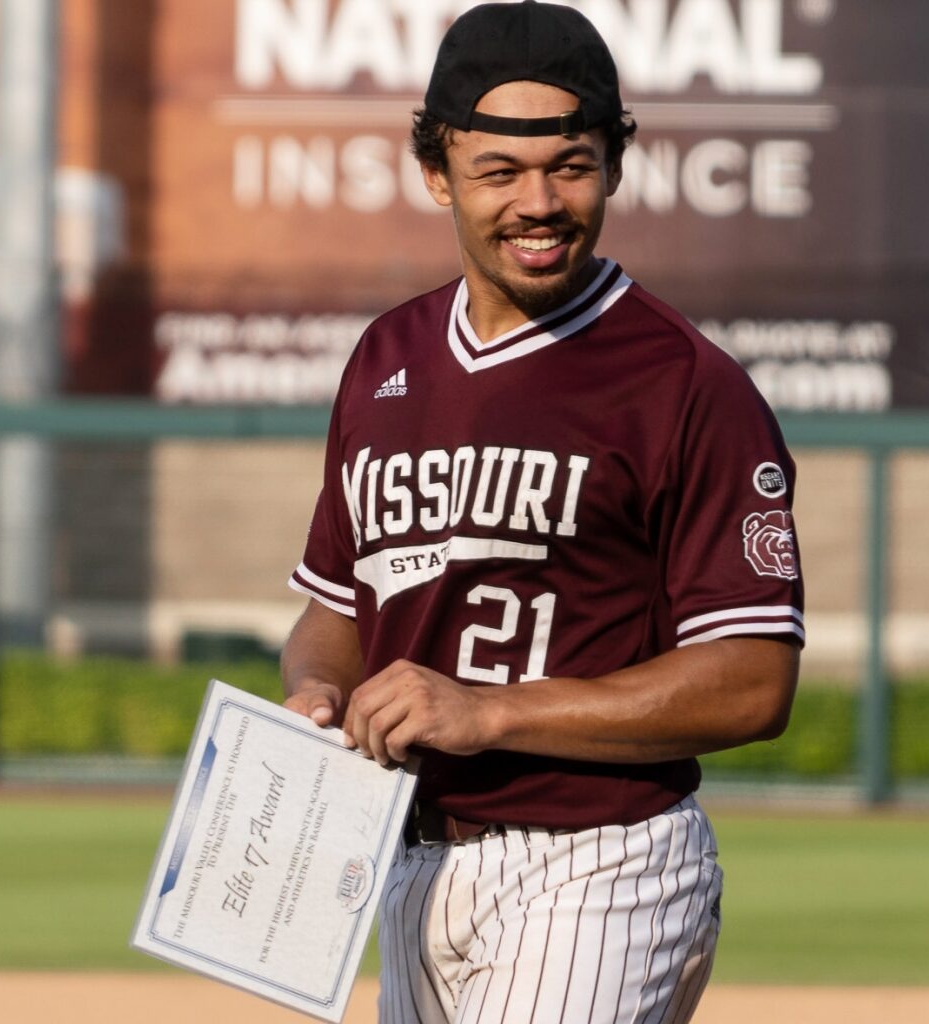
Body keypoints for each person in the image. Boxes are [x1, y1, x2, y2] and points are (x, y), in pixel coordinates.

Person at [279, 3, 804, 1021]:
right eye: (499, 171)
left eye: (570, 164)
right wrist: (314, 699)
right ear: (437, 173)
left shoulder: (684, 383)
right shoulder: (386, 358)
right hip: (412, 863)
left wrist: (490, 712)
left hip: (599, 864)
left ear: (613, 163)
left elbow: (752, 680)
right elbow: (338, 611)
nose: (540, 201)